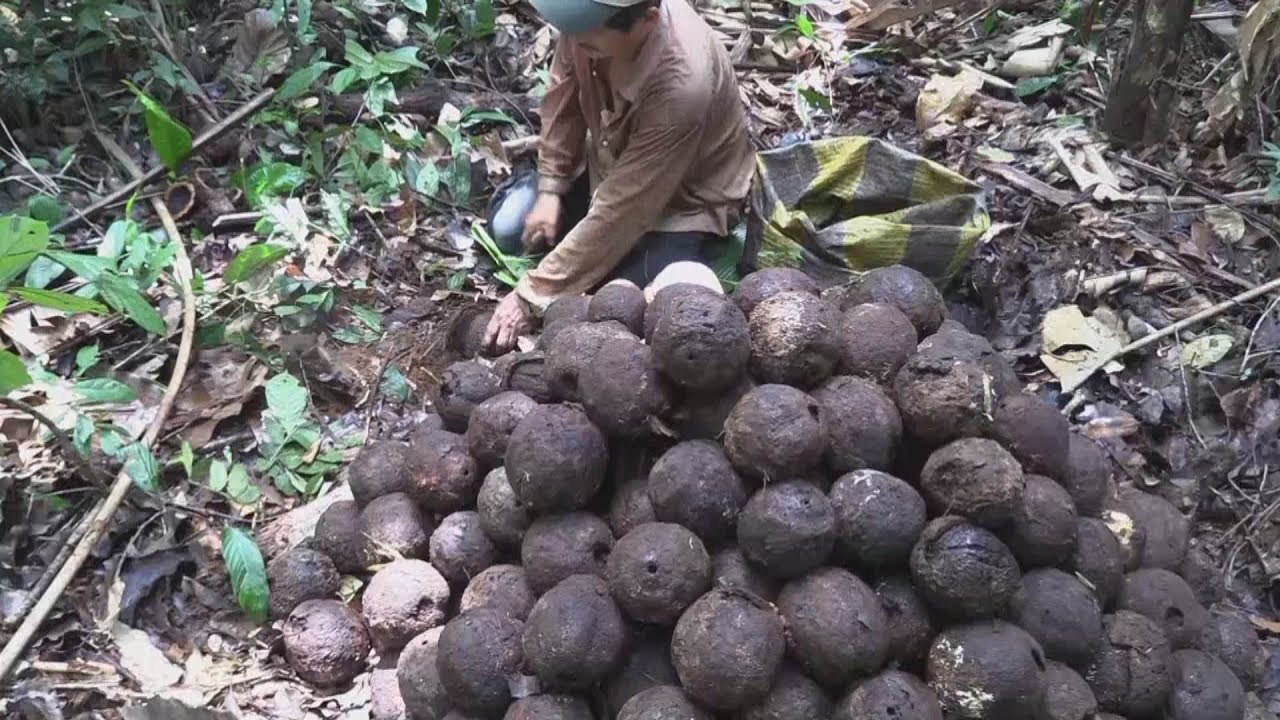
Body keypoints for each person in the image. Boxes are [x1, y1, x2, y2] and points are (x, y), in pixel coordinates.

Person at [482, 0, 756, 353]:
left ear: (647, 22)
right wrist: (551, 186)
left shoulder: (683, 85)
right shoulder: (585, 26)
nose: (573, 40)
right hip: (609, 167)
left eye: (587, 38)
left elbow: (625, 208)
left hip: (681, 201)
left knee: (614, 302)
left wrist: (531, 296)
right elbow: (562, 95)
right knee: (509, 227)